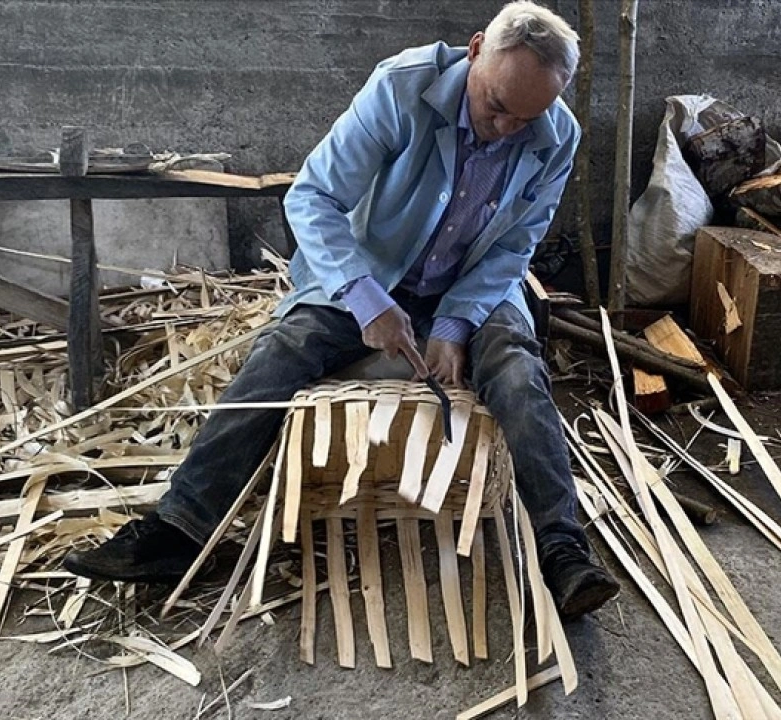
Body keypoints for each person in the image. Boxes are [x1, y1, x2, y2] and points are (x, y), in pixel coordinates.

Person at [65, 1, 620, 621]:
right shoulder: (401, 88)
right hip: (372, 270)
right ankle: (181, 525)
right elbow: (314, 197)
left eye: (528, 116)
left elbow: (517, 244)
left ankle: (564, 548)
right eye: (497, 106)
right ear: (473, 50)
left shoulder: (557, 134)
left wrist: (456, 322)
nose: (509, 128)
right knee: (286, 347)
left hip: (475, 283)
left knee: (516, 367)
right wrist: (363, 297)